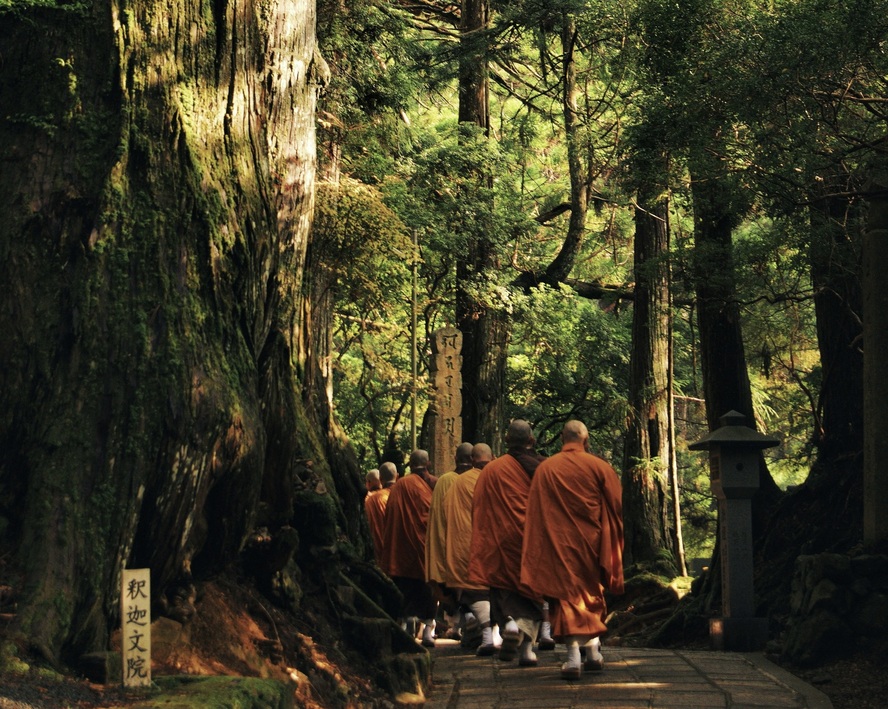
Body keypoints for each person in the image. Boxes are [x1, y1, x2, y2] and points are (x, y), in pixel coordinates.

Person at [521, 419, 624, 680]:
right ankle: (588, 655)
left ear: (561, 439)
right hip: (591, 543)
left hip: (559, 544)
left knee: (567, 598)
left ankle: (577, 658)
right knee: (589, 596)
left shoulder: (547, 469)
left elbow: (535, 513)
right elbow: (615, 506)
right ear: (586, 440)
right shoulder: (600, 467)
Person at [467, 419, 546, 666]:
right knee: (533, 595)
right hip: (534, 542)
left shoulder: (492, 470)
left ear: (506, 441)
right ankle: (527, 651)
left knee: (503, 592)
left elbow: (479, 510)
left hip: (502, 542)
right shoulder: (544, 468)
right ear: (531, 441)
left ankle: (509, 624)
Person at [379, 450, 438, 647]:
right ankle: (428, 630)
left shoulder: (399, 486)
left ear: (410, 465)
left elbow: (390, 517)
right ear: (428, 463)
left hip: (402, 546)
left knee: (406, 586)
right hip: (425, 545)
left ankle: (409, 621)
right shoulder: (434, 483)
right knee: (427, 586)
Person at [443, 443, 498, 655]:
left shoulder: (458, 483)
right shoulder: (499, 477)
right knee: (491, 591)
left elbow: (448, 513)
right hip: (495, 544)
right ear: (492, 457)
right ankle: (495, 635)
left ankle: (486, 635)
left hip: (467, 544)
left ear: (473, 460)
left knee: (473, 592)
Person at [425, 442, 474, 639]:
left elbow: (436, 518)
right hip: (470, 543)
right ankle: (467, 624)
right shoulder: (477, 479)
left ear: (455, 458)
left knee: (453, 586)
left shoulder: (444, 481)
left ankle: (459, 625)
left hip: (448, 543)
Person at [365, 463, 397, 566]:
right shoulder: (404, 495)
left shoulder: (370, 500)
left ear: (381, 479)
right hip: (400, 554)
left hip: (379, 555)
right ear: (397, 476)